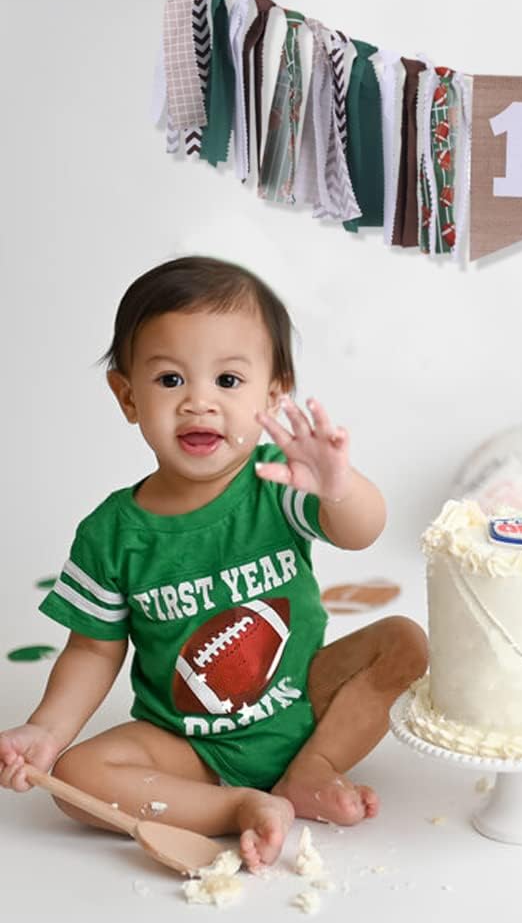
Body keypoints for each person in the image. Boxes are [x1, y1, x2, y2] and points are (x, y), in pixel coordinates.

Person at [0, 256, 428, 870]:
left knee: (405, 643)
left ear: (273, 394)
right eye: (171, 380)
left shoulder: (275, 483)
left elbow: (362, 533)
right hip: (185, 743)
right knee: (78, 775)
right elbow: (94, 650)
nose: (199, 403)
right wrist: (46, 730)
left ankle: (314, 769)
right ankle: (238, 807)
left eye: (228, 381)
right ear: (127, 395)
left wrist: (339, 485)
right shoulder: (112, 532)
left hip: (304, 702)